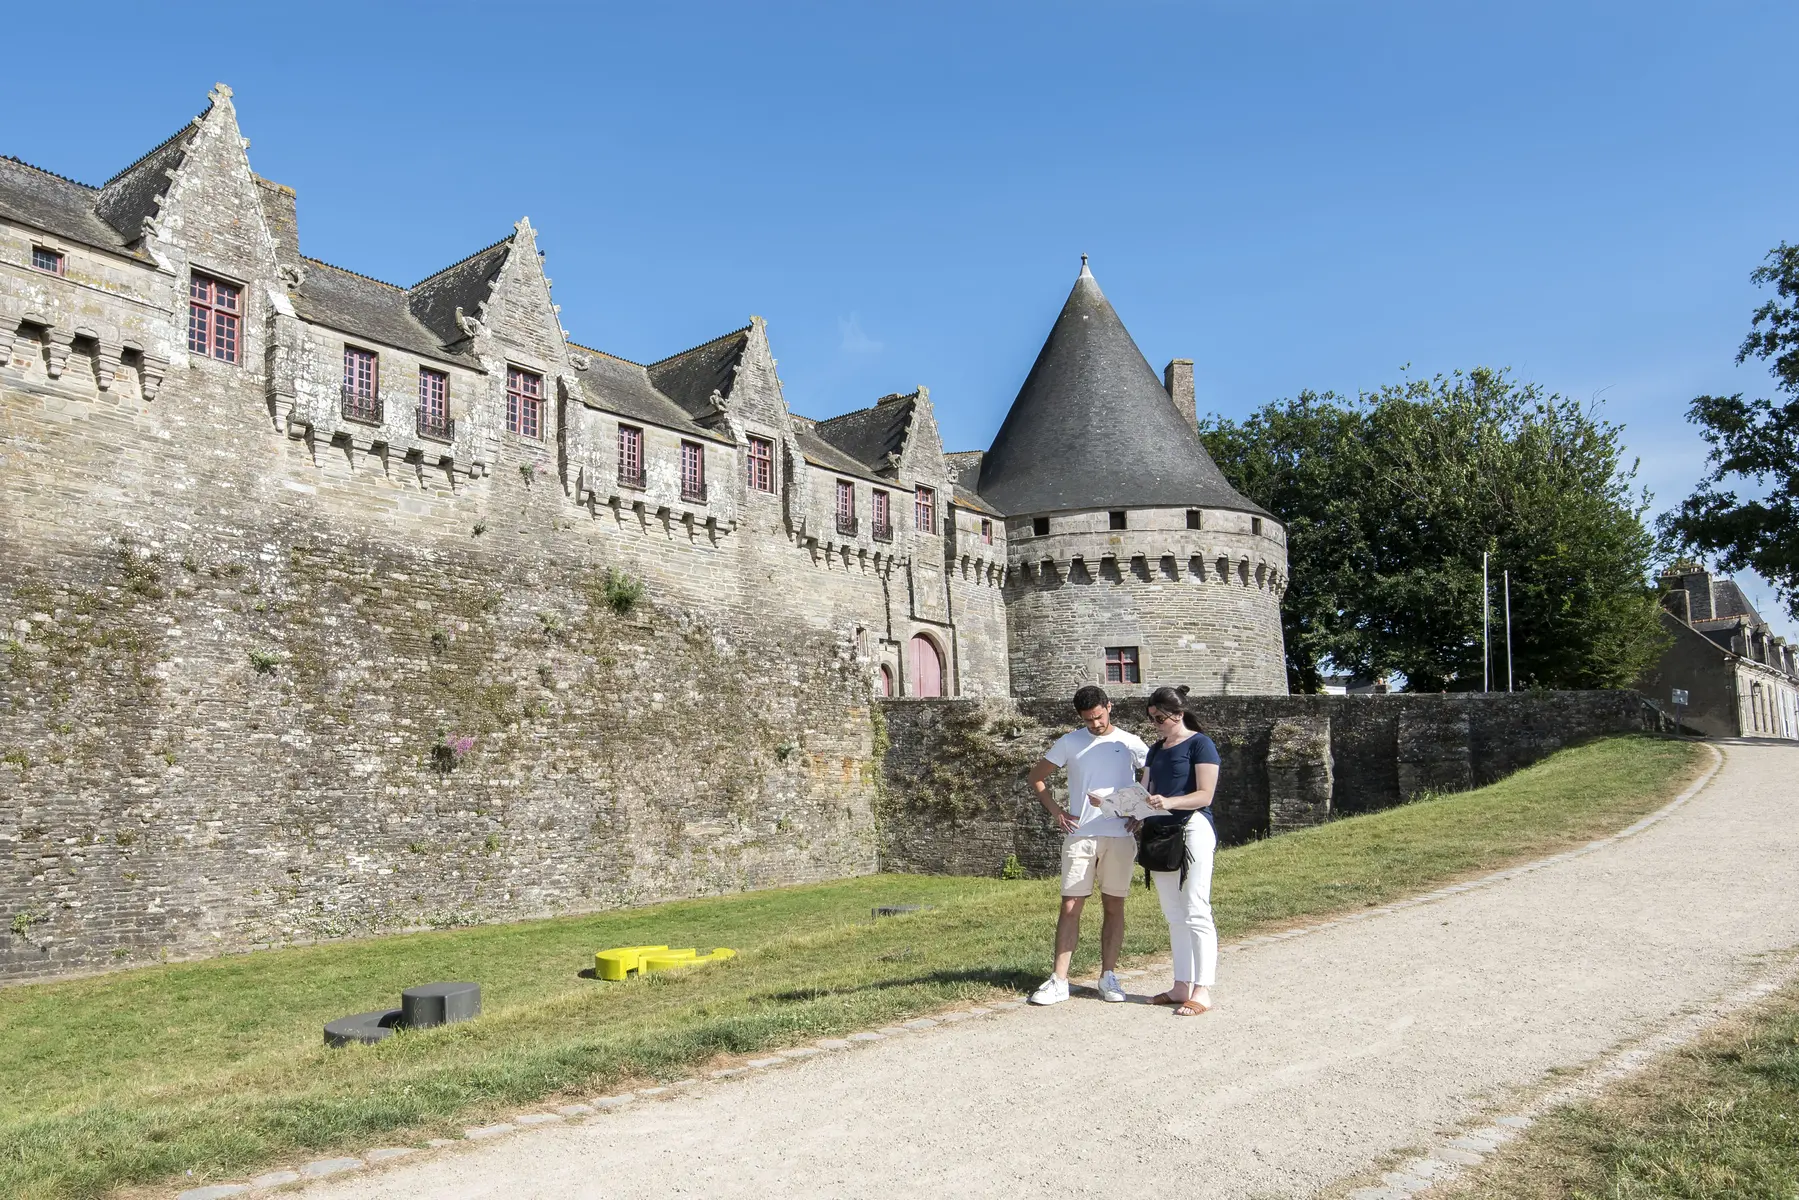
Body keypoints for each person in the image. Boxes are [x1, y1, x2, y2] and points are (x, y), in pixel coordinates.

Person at [1024, 684, 1149, 1006]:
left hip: (1120, 835)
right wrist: (1057, 812)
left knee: (1114, 906)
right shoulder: (1070, 742)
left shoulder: (1130, 742)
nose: (1095, 724)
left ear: (1109, 707)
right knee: (1070, 907)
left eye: (1099, 716)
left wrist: (1140, 812)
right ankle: (1059, 981)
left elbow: (1153, 775)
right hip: (1080, 835)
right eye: (1088, 719)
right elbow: (1036, 777)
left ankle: (1108, 977)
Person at [1137, 684, 1220, 1016]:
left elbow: (1205, 795)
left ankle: (1203, 989)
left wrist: (1169, 802)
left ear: (1178, 714)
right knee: (1173, 914)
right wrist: (1129, 810)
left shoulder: (1201, 744)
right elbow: (1144, 791)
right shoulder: (1156, 750)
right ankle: (1181, 984)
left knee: (1195, 907)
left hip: (1193, 828)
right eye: (1152, 719)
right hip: (1160, 831)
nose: (1156, 724)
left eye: (1160, 718)